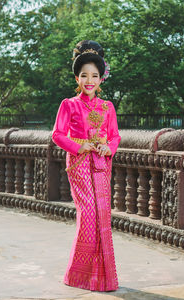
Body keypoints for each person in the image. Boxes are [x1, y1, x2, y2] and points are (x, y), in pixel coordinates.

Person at [52, 40, 121, 291]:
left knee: (102, 215)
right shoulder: (68, 105)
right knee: (89, 214)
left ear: (102, 79)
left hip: (101, 164)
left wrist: (108, 148)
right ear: (77, 78)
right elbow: (57, 135)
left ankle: (101, 278)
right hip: (80, 163)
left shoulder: (107, 107)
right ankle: (79, 273)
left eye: (95, 75)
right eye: (84, 75)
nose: (89, 80)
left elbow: (114, 136)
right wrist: (79, 146)